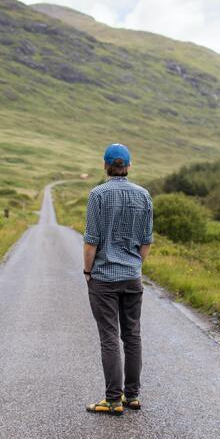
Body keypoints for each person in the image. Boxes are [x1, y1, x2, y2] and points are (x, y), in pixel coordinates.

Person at [83, 143, 153, 415]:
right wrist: (133, 266)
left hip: (103, 278)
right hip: (132, 276)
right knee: (132, 335)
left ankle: (113, 399)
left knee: (110, 336)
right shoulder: (144, 195)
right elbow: (146, 242)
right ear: (129, 166)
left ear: (105, 165)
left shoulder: (97, 195)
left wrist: (88, 272)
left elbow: (91, 242)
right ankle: (132, 396)